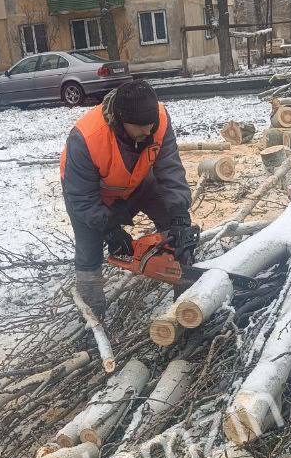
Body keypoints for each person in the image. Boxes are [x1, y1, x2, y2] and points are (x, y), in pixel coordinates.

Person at [60, 78, 196, 319]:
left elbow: (170, 169)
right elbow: (81, 198)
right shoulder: (86, 138)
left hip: (138, 180)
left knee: (175, 225)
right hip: (90, 195)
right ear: (122, 122)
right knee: (89, 251)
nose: (148, 132)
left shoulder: (159, 122)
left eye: (151, 125)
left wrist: (180, 215)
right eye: (141, 127)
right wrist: (109, 229)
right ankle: (93, 316)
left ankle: (186, 294)